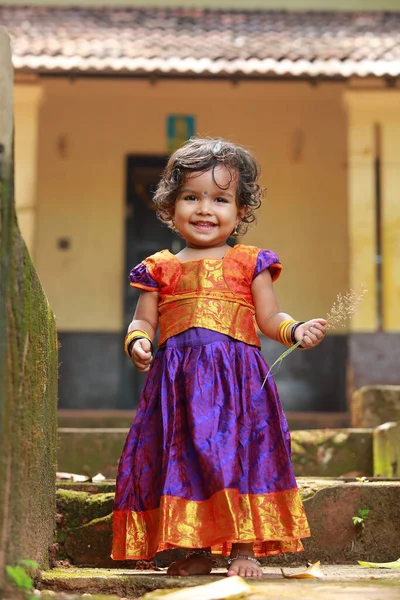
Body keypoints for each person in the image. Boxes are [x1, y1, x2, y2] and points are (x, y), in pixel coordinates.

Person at [112, 137, 327, 578]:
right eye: (191, 197)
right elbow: (144, 322)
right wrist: (136, 342)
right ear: (169, 207)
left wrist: (295, 330)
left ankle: (243, 549)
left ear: (241, 209)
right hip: (178, 390)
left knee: (239, 457)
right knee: (187, 460)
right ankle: (197, 550)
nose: (205, 209)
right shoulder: (159, 268)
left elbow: (269, 317)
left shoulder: (250, 263)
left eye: (220, 198)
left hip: (237, 388)